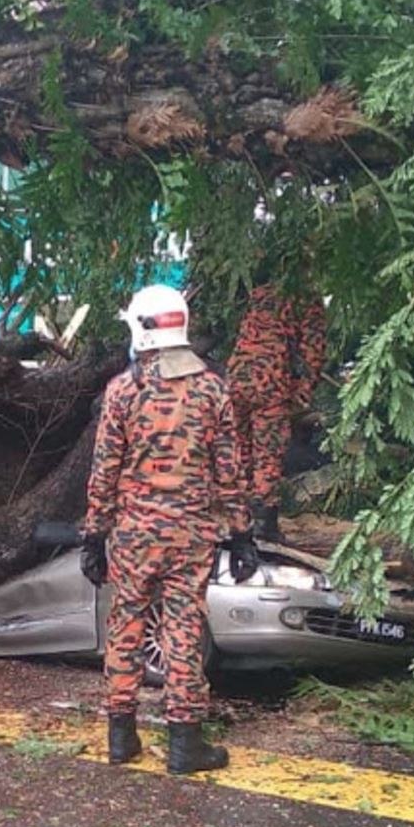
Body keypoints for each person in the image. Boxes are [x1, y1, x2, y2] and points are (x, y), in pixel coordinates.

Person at [81, 285, 259, 775]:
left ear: (141, 329)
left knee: (126, 627)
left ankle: (121, 736)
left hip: (133, 534)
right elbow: (230, 471)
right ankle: (185, 744)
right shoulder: (212, 389)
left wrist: (94, 535)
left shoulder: (122, 390)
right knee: (182, 630)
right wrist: (241, 535)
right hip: (190, 535)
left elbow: (104, 472)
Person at [227, 284, 326, 543]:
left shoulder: (262, 291)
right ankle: (263, 523)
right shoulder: (307, 296)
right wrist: (304, 391)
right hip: (270, 380)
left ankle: (236, 517)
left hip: (237, 377)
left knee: (240, 450)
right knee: (267, 453)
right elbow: (313, 349)